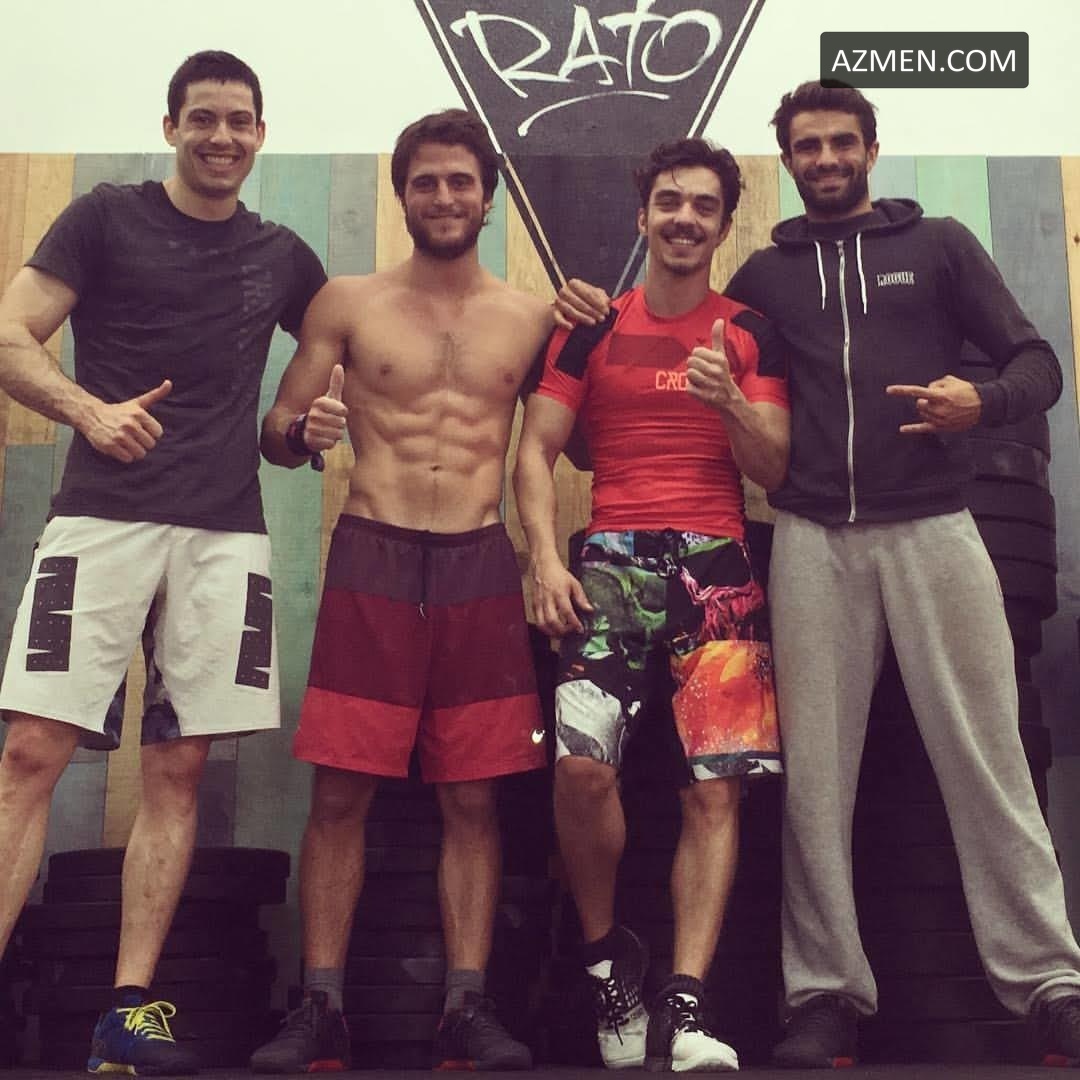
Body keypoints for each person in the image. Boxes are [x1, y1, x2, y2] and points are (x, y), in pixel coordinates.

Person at [552, 81, 1080, 1070]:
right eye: (807, 146)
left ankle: (1052, 984)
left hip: (935, 524)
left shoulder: (942, 246)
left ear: (871, 150)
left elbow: (1039, 362)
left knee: (990, 758)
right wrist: (576, 306)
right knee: (815, 785)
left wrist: (987, 400)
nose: (826, 158)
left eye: (842, 142)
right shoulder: (764, 279)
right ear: (788, 162)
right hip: (808, 538)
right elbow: (665, 329)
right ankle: (826, 995)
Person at [0, 50, 326, 1075]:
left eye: (239, 121)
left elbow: (321, 381)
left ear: (261, 134)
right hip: (101, 521)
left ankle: (125, 1014)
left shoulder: (284, 257)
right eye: (203, 118)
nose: (221, 137)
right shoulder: (104, 218)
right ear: (172, 125)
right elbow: (9, 335)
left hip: (224, 534)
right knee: (30, 755)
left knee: (179, 766)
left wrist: (305, 425)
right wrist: (86, 411)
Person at [247, 108, 552, 1074]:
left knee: (474, 798)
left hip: (478, 562)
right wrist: (303, 434)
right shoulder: (348, 302)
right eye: (426, 182)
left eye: (462, 181)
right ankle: (321, 1007)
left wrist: (600, 330)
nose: (445, 197)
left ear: (488, 197)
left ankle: (466, 1006)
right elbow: (278, 426)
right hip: (373, 556)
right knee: (341, 791)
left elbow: (564, 442)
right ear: (402, 195)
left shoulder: (533, 318)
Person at [514, 138, 789, 1072]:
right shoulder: (592, 328)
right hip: (611, 565)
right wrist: (543, 558)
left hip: (718, 566)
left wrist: (732, 403)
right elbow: (534, 451)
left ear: (724, 225)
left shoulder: (749, 331)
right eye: (669, 202)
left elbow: (774, 468)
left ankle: (687, 1005)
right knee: (580, 774)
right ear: (644, 217)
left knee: (714, 789)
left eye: (703, 206)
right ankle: (608, 968)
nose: (684, 218)